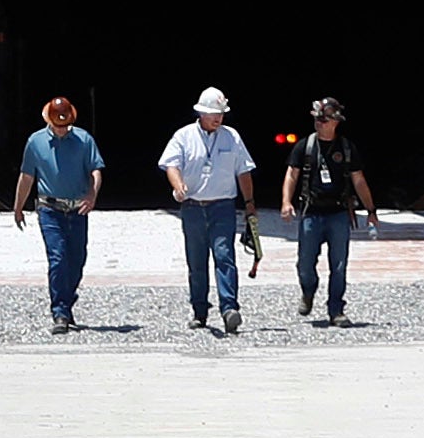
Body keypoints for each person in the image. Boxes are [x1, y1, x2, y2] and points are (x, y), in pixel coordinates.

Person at [157, 85, 257, 333]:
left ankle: (229, 308)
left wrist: (249, 204)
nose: (218, 118)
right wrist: (178, 185)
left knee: (225, 257)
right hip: (192, 207)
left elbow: (243, 171)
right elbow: (171, 165)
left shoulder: (232, 137)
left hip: (223, 206)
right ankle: (199, 311)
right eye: (214, 113)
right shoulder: (183, 136)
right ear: (201, 113)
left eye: (221, 113)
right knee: (196, 261)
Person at [278, 97, 377, 325]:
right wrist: (286, 202)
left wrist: (371, 209)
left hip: (339, 213)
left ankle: (336, 310)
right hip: (311, 212)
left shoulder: (346, 149)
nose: (319, 123)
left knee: (339, 265)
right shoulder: (305, 146)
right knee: (305, 264)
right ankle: (308, 290)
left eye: (324, 120)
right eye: (317, 119)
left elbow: (359, 181)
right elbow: (292, 175)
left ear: (335, 122)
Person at [13, 95, 104, 332]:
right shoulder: (35, 142)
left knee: (77, 260)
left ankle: (66, 298)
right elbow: (27, 176)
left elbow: (95, 171)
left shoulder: (84, 140)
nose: (62, 129)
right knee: (58, 258)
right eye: (58, 125)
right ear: (49, 121)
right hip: (50, 209)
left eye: (65, 125)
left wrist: (92, 195)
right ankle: (60, 312)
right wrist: (18, 207)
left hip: (78, 209)